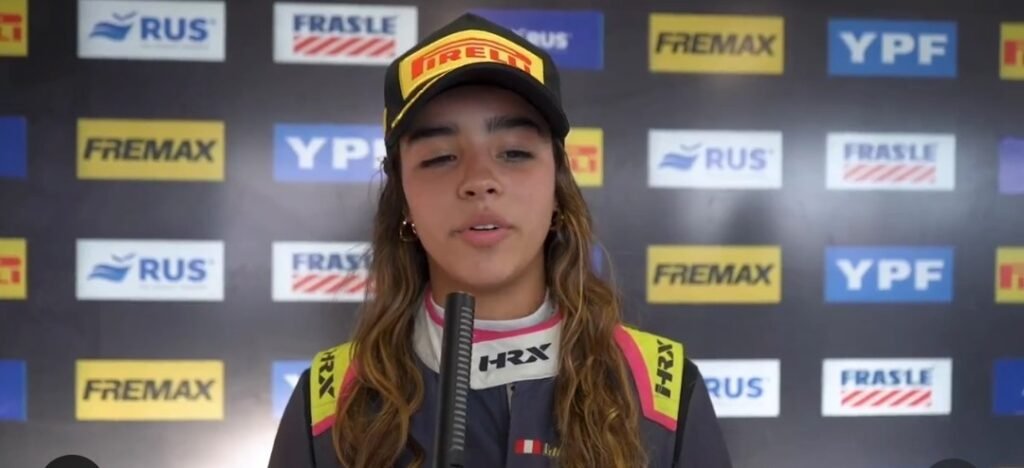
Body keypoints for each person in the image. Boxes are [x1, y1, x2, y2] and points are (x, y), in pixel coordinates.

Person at [268, 12, 733, 468]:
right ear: (403, 199)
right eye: (440, 157)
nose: (479, 180)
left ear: (558, 185)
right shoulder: (328, 406)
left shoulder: (663, 395)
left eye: (513, 153)